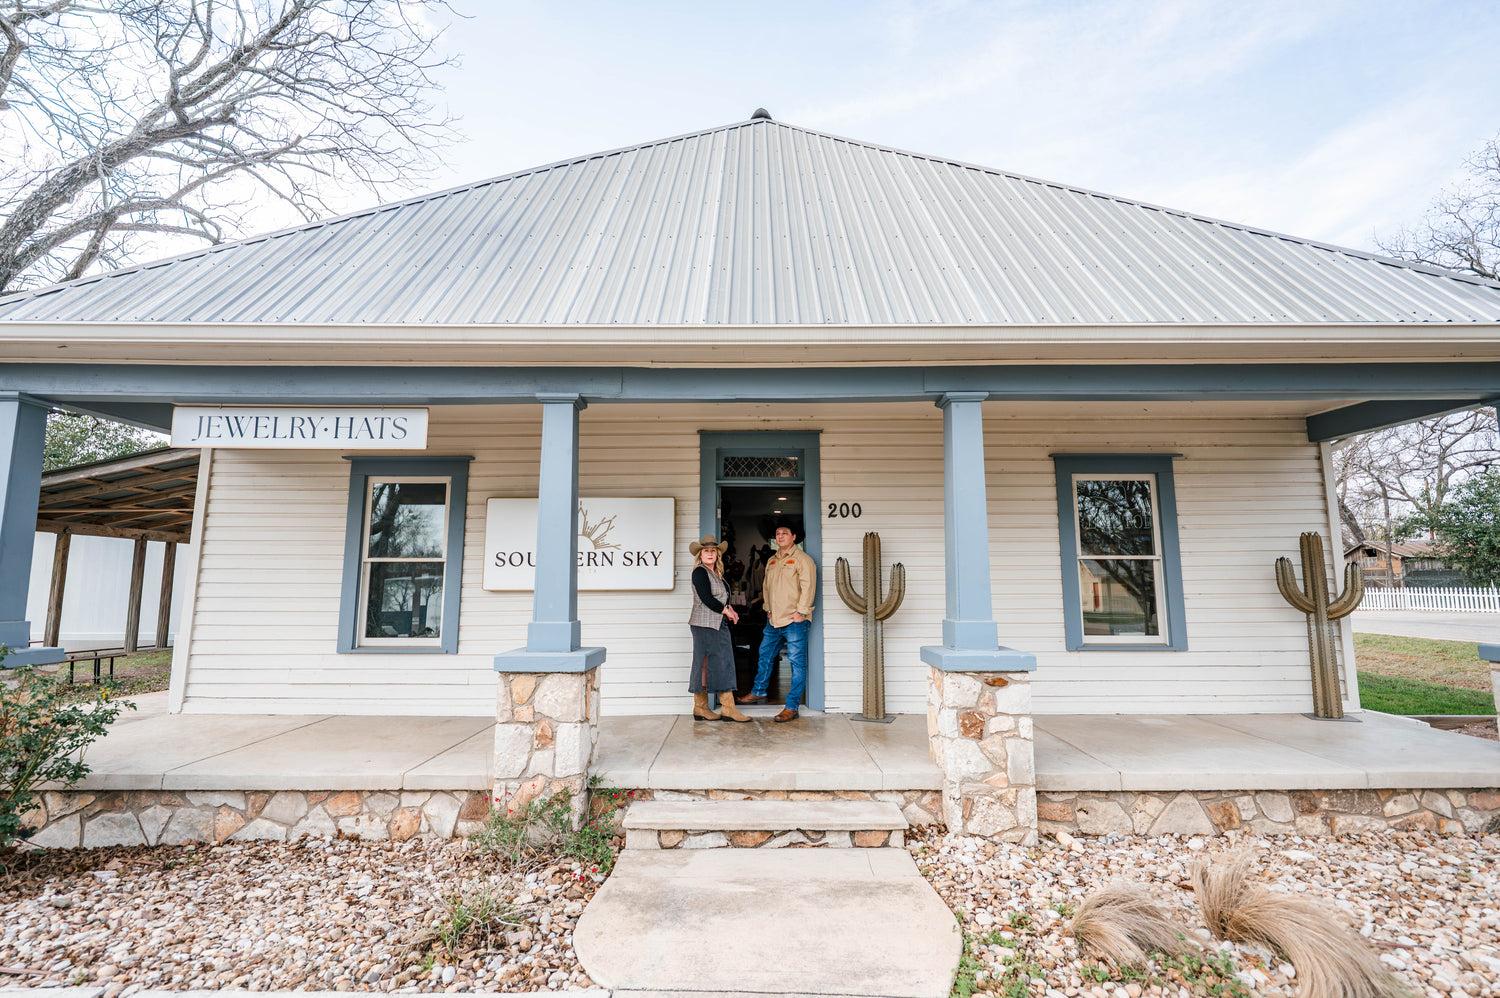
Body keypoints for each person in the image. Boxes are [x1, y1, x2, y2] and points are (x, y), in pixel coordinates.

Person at [740, 521, 815, 722]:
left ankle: (791, 706)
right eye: (777, 533)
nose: (780, 536)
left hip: (794, 621)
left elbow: (808, 588)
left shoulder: (802, 560)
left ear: (794, 537)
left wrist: (801, 612)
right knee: (764, 656)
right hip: (774, 620)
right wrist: (768, 610)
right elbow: (766, 587)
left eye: (785, 533)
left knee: (797, 663)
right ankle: (758, 691)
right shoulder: (772, 560)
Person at [687, 533, 750, 722]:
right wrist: (726, 611)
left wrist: (730, 609)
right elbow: (706, 599)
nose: (709, 554)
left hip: (715, 623)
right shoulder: (699, 572)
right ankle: (726, 708)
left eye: (712, 551)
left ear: (717, 554)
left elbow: (721, 599)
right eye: (705, 551)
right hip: (705, 624)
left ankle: (701, 708)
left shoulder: (717, 573)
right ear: (700, 554)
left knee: (709, 665)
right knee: (718, 663)